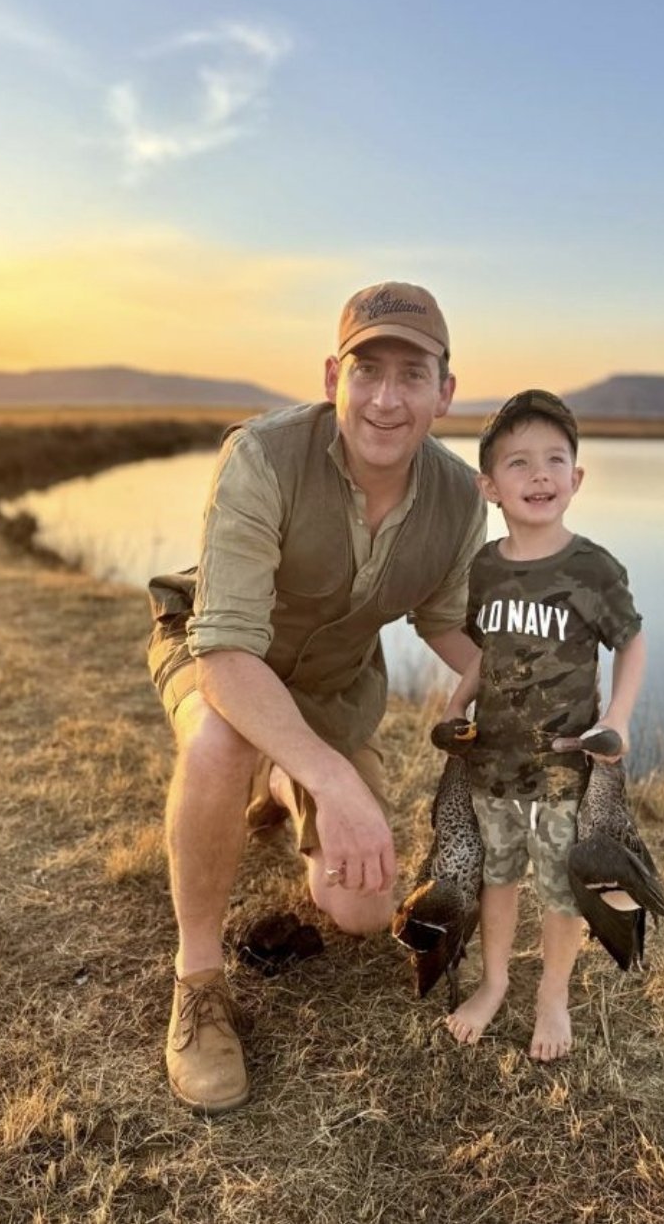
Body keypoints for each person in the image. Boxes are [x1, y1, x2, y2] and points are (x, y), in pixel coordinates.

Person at [146, 282, 486, 1113]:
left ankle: (276, 779)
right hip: (217, 650)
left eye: (413, 374)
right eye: (367, 369)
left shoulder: (459, 498)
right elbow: (226, 653)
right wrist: (333, 783)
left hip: (333, 686)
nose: (385, 396)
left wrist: (524, 682)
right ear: (334, 373)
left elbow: (449, 625)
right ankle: (198, 983)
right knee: (221, 738)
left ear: (446, 390)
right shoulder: (261, 456)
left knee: (362, 909)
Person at [437, 389, 647, 1060]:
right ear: (489, 485)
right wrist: (454, 703)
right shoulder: (487, 567)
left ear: (577, 479)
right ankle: (495, 981)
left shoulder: (592, 568)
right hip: (493, 762)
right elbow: (484, 654)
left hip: (565, 766)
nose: (540, 475)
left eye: (556, 460)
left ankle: (552, 991)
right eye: (519, 463)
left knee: (562, 885)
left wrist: (617, 716)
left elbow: (632, 642)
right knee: (497, 875)